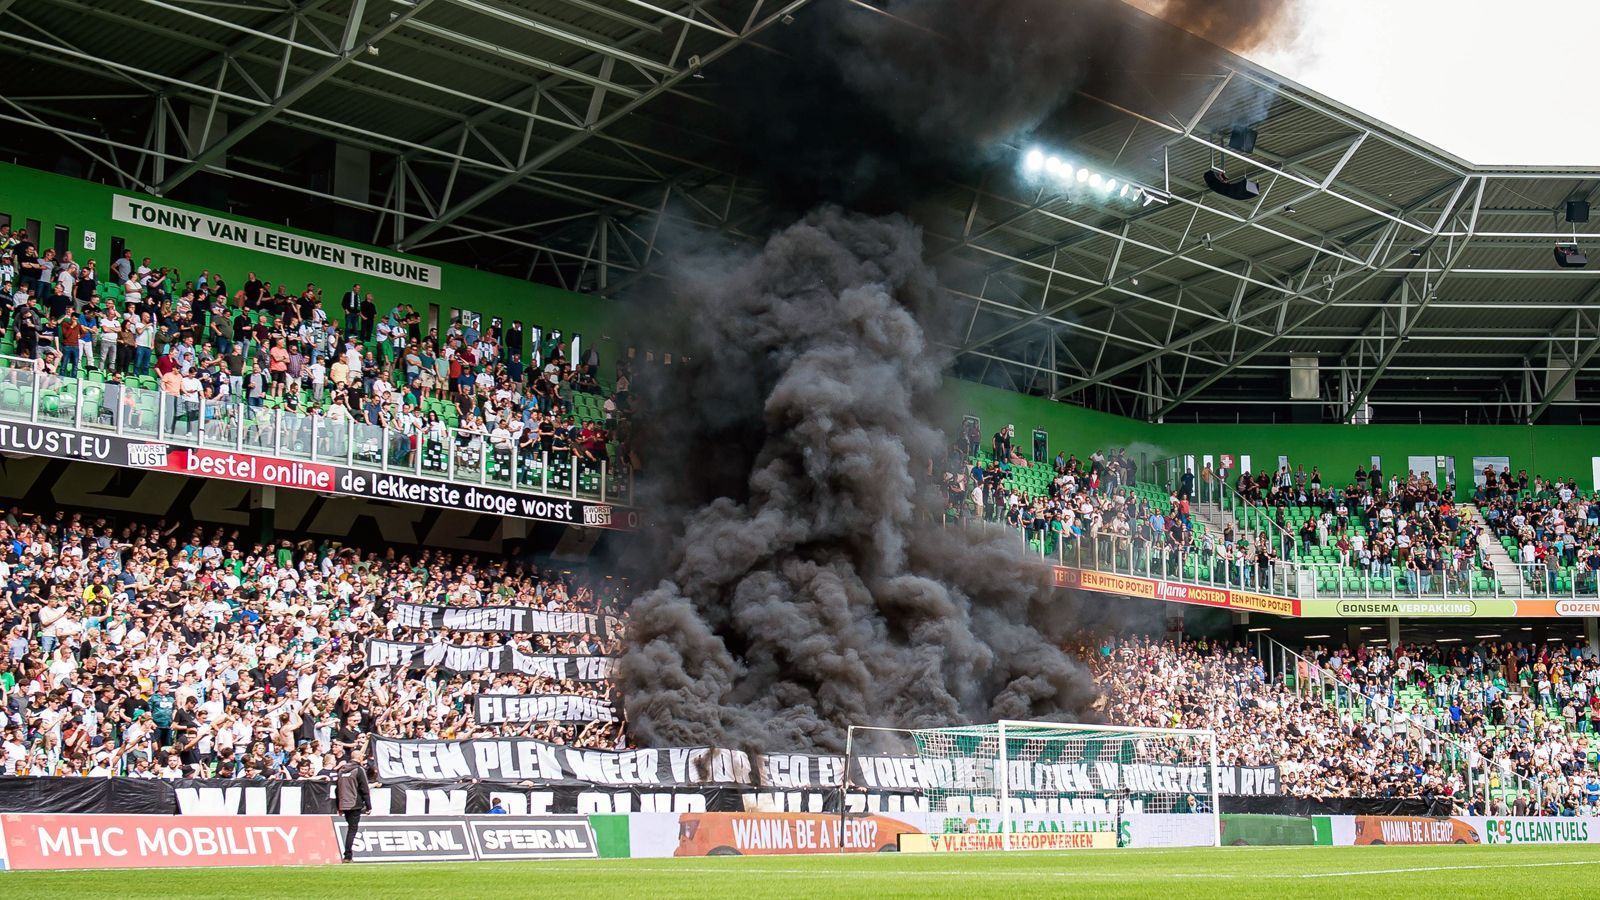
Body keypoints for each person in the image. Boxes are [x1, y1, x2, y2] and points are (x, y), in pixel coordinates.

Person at [336, 749, 372, 863]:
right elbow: (364, 789)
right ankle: (347, 855)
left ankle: (347, 854)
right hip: (354, 803)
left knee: (350, 828)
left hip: (344, 804)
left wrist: (338, 806)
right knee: (352, 829)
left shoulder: (342, 770)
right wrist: (369, 805)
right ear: (359, 758)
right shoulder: (358, 770)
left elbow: (337, 789)